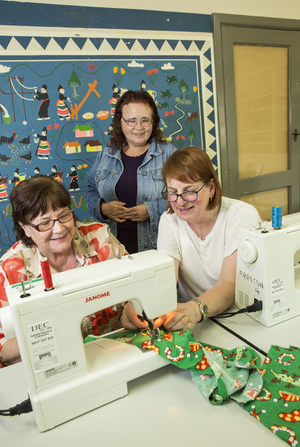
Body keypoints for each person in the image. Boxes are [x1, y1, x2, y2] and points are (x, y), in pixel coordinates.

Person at [121, 147, 261, 332]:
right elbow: (166, 277)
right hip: (202, 323)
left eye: (189, 191)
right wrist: (140, 305)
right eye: (173, 192)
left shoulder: (241, 216)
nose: (180, 202)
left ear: (211, 187)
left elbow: (229, 285)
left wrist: (194, 309)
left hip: (244, 319)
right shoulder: (170, 221)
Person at [0, 175, 127, 367]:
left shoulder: (101, 238)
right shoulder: (10, 270)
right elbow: (3, 350)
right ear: (25, 228)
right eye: (45, 223)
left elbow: (133, 290)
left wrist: (133, 310)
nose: (59, 229)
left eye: (64, 216)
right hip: (56, 368)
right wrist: (44, 339)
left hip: (117, 355)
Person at [86, 90, 176, 254]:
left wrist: (152, 210)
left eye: (145, 120)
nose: (138, 127)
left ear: (153, 122)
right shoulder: (105, 155)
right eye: (131, 120)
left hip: (157, 248)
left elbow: (185, 196)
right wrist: (103, 209)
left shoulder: (169, 154)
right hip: (113, 251)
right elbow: (90, 190)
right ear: (120, 122)